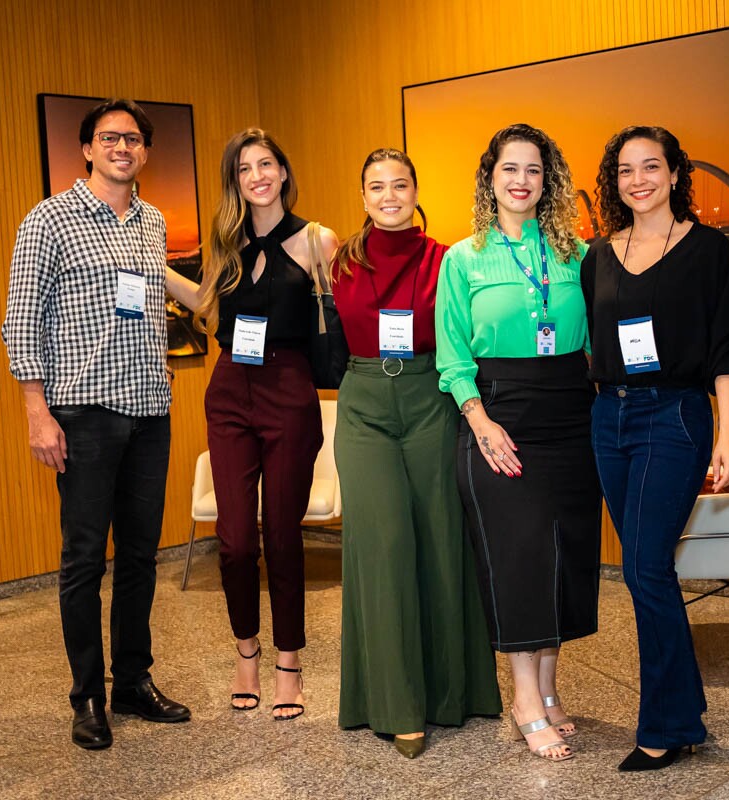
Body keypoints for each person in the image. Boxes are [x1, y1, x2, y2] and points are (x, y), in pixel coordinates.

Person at [2, 98, 190, 750]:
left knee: (140, 556)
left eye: (133, 139)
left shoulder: (152, 221)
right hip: (80, 415)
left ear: (144, 152)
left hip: (147, 413)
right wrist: (36, 412)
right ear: (86, 149)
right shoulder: (48, 220)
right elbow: (21, 321)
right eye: (109, 137)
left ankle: (132, 682)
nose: (121, 147)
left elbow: (139, 307)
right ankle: (86, 698)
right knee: (85, 560)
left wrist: (158, 362)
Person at [582, 126, 729, 772]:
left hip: (673, 417)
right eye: (626, 170)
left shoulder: (707, 251)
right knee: (649, 570)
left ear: (676, 173)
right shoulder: (598, 255)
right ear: (615, 181)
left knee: (644, 569)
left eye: (652, 167)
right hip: (609, 418)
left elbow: (728, 348)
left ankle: (662, 727)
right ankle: (684, 717)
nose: (639, 180)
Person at [436, 123, 601, 763]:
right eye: (510, 169)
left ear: (548, 180)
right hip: (499, 414)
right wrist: (479, 421)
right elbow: (452, 351)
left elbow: (598, 339)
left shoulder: (574, 254)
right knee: (520, 553)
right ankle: (525, 699)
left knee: (563, 551)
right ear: (490, 178)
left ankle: (551, 690)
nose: (521, 181)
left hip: (569, 412)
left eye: (534, 170)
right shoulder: (464, 257)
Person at [331, 148, 502, 759]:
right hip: (364, 402)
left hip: (431, 396)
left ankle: (453, 694)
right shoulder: (339, 260)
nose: (388, 196)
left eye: (398, 184)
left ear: (415, 190)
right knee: (383, 545)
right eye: (375, 186)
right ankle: (394, 703)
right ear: (363, 197)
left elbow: (466, 335)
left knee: (437, 536)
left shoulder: (448, 259)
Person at [165, 129, 335, 721]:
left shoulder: (317, 240)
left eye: (266, 164)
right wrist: (151, 269)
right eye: (244, 169)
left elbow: (338, 313)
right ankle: (246, 652)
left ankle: (289, 662)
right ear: (234, 181)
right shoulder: (225, 243)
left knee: (282, 536)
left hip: (289, 391)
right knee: (235, 542)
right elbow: (206, 302)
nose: (257, 175)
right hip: (230, 387)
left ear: (284, 173)